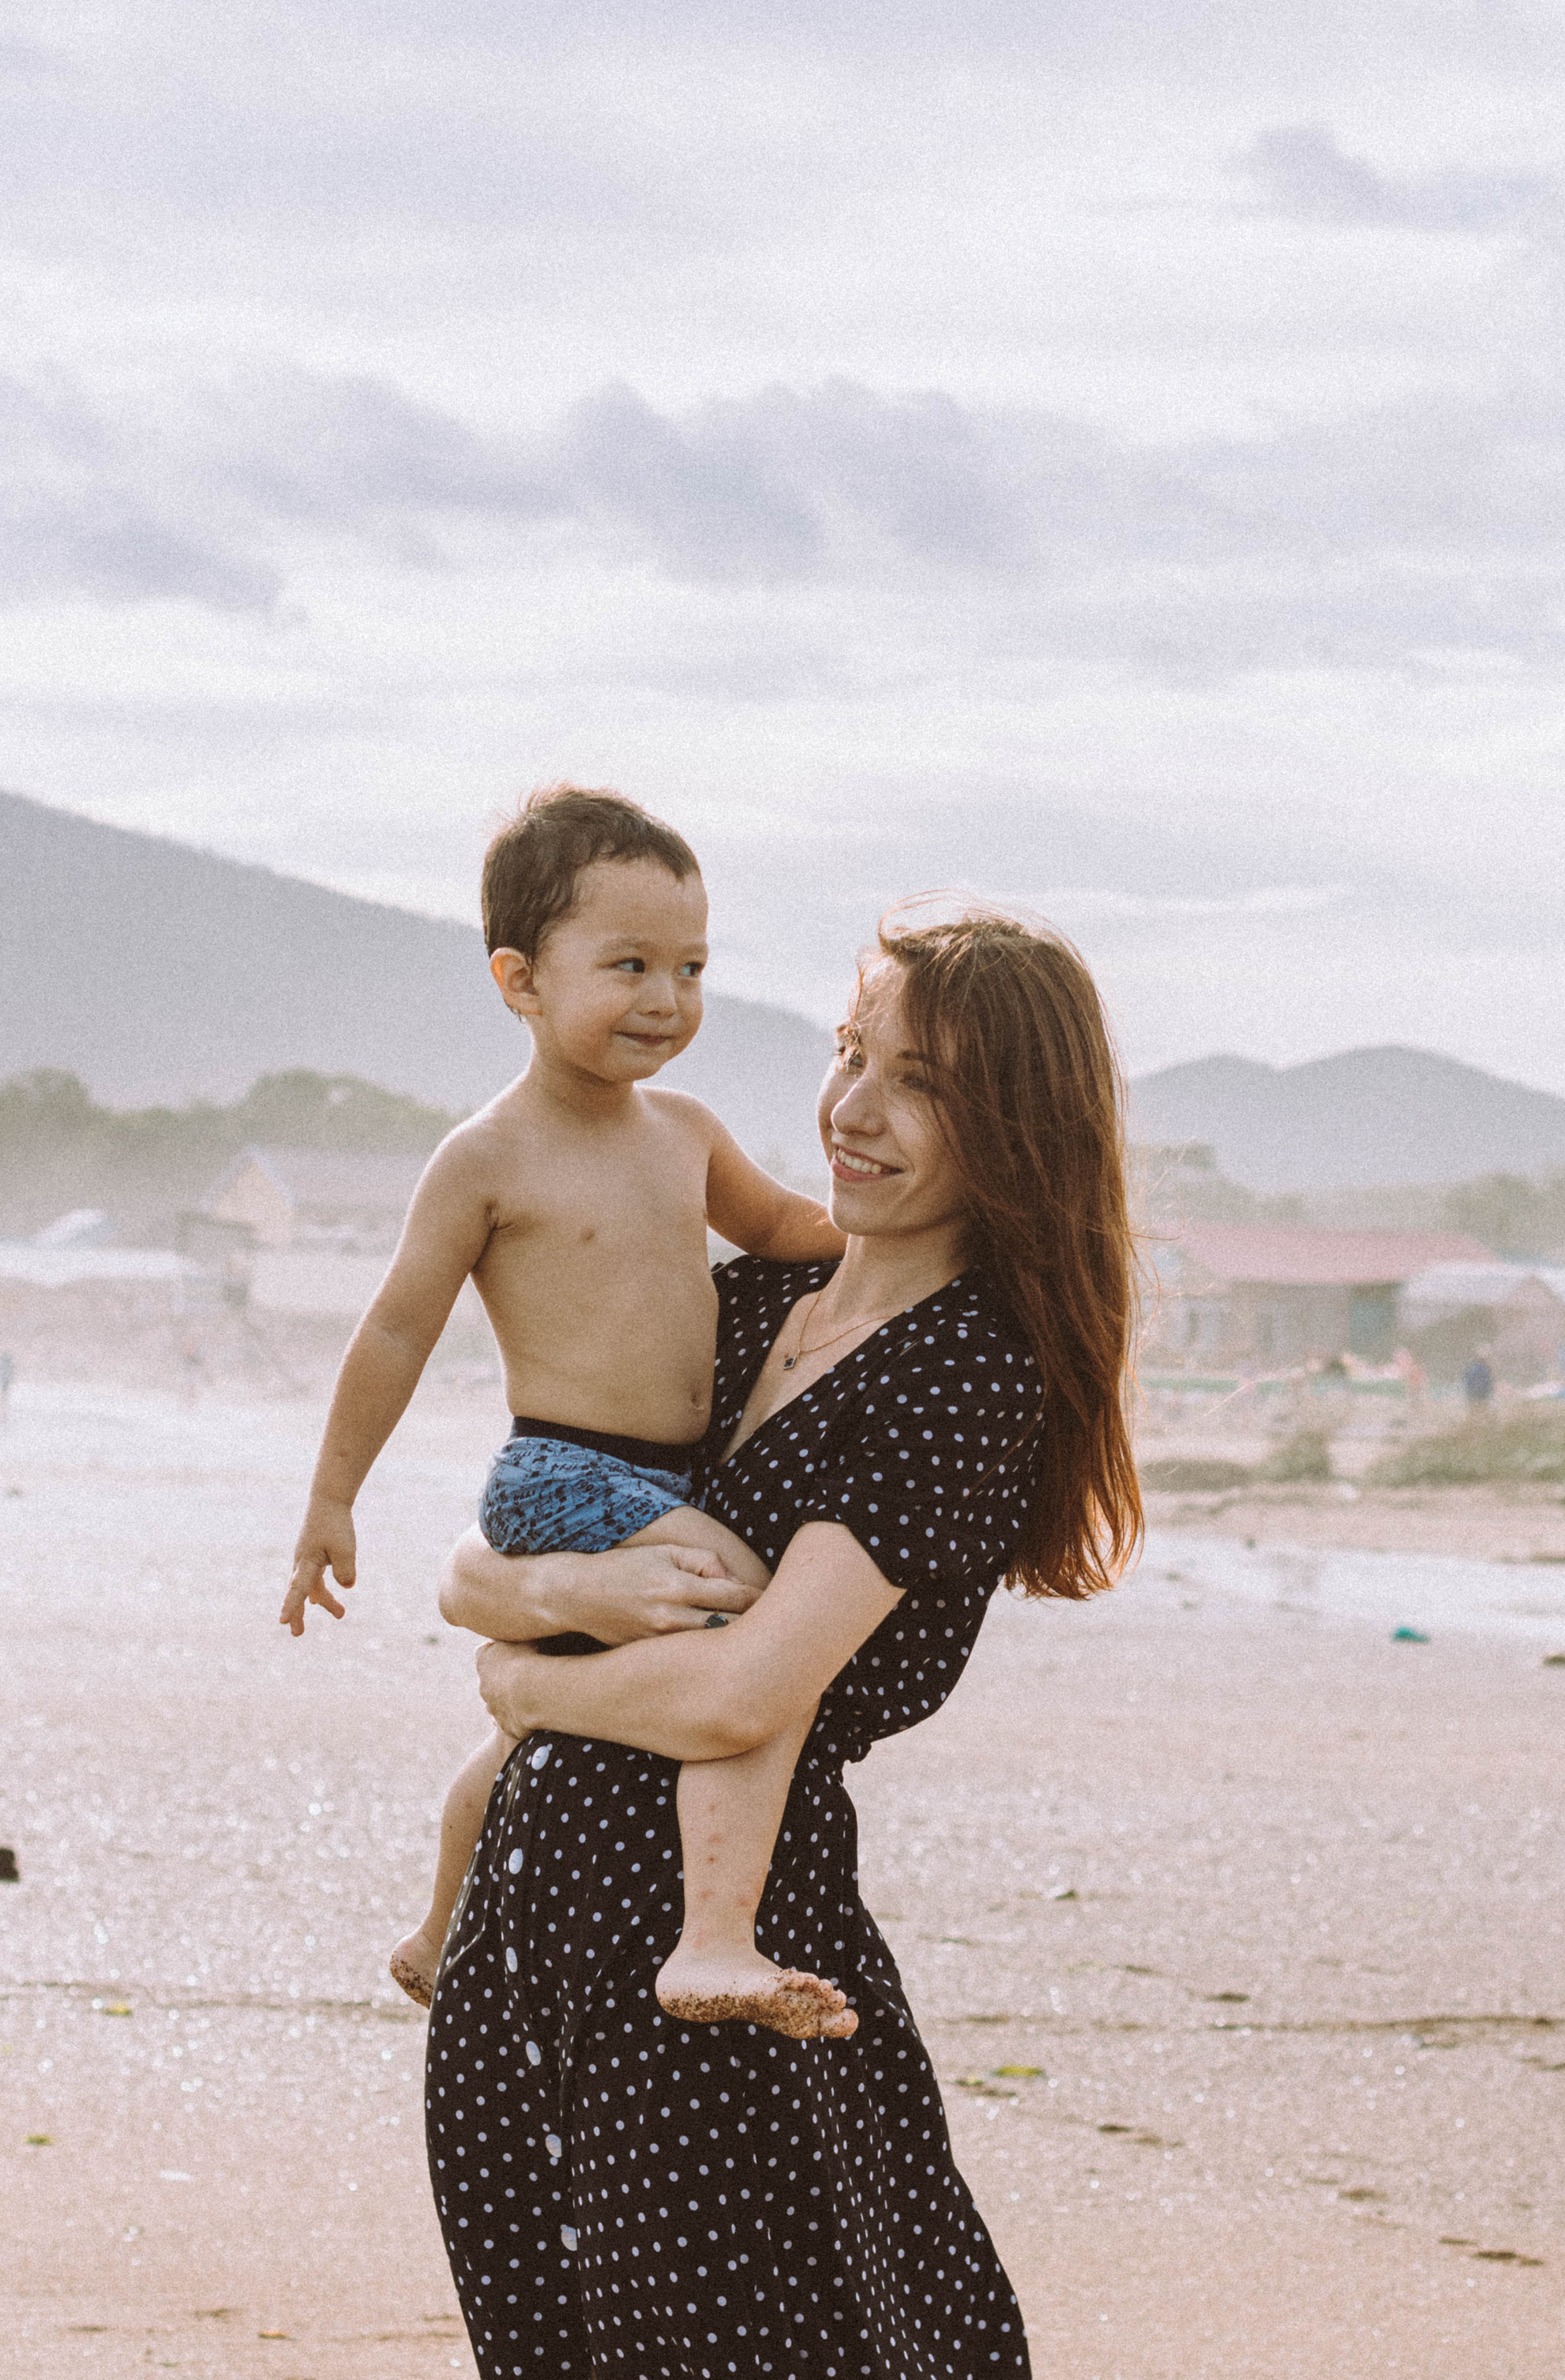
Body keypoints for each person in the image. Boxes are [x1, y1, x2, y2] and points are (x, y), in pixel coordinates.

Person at [425, 905, 1142, 2378]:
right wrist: (537, 1621)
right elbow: (487, 1556)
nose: (854, 1110)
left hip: (713, 1966)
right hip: (525, 1945)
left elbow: (747, 1692)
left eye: (921, 1081)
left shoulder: (965, 1372)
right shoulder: (743, 1304)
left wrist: (521, 1680)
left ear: (1016, 1123)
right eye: (848, 1052)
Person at [278, 786, 844, 2025]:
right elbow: (395, 1328)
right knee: (746, 1624)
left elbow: (794, 1232)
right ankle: (715, 1935)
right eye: (629, 964)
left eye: (691, 967)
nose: (667, 999)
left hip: (673, 1474)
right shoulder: (488, 1156)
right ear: (519, 980)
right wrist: (331, 1499)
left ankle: (437, 1932)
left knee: (534, 1734)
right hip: (563, 1475)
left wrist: (924, 1232)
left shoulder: (687, 1130)